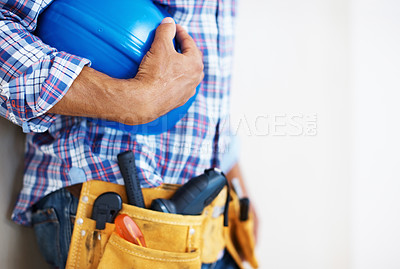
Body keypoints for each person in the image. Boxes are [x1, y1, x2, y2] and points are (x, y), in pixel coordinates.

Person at [0, 0, 258, 268]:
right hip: (113, 217)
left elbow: (203, 80)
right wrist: (126, 100)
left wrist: (231, 176)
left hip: (210, 223)